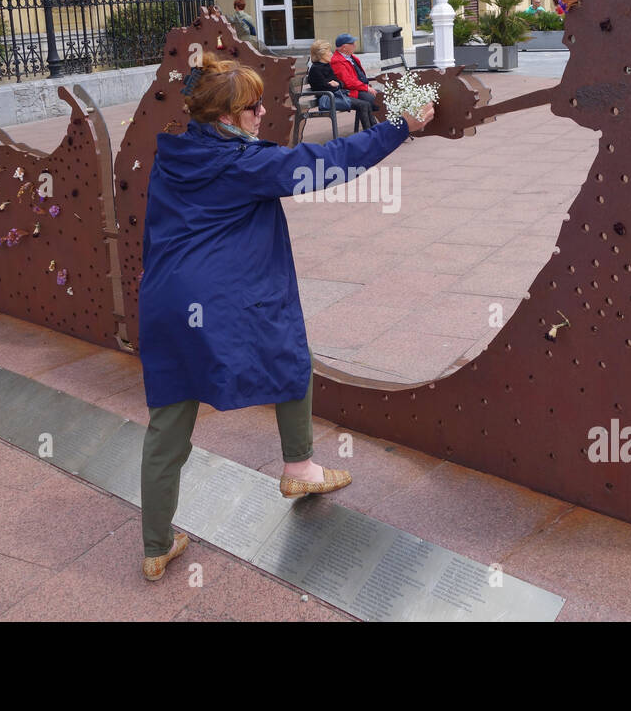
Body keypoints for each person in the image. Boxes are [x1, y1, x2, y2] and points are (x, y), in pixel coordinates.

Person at [136, 52, 435, 581]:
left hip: (165, 300)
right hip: (224, 296)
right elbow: (324, 164)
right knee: (292, 359)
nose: (262, 113)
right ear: (227, 117)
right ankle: (298, 469)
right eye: (252, 107)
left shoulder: (176, 153)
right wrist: (399, 127)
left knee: (169, 420)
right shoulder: (241, 164)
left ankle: (156, 545)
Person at [306, 39, 374, 133]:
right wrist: (335, 85)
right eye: (328, 51)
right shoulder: (315, 70)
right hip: (326, 99)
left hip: (335, 95)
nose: (331, 54)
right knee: (362, 105)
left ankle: (374, 131)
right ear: (321, 54)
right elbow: (323, 88)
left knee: (366, 104)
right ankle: (369, 134)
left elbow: (340, 83)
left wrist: (336, 84)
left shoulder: (327, 65)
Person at [329, 34, 383, 127]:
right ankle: (375, 129)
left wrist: (366, 87)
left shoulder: (352, 58)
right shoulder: (337, 61)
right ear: (344, 47)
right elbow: (348, 82)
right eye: (352, 43)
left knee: (384, 97)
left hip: (360, 89)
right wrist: (366, 88)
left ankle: (381, 128)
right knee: (376, 100)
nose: (355, 45)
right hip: (351, 92)